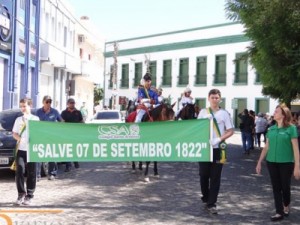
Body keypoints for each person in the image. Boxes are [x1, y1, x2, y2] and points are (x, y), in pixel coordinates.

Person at [256, 104, 300, 222]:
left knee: (285, 187)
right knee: (276, 187)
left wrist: (297, 166)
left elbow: (296, 148)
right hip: (272, 162)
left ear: (283, 115)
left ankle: (286, 204)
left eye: (276, 112)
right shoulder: (271, 129)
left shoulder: (291, 128)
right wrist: (259, 162)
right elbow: (266, 147)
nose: (273, 113)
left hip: (286, 163)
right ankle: (279, 212)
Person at [197, 89, 234, 214]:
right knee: (203, 175)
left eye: (217, 97)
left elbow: (230, 131)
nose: (214, 99)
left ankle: (212, 203)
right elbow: (195, 129)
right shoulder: (203, 112)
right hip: (205, 149)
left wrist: (218, 139)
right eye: (212, 97)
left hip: (219, 149)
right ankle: (206, 197)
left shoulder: (224, 114)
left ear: (220, 99)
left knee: (215, 177)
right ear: (208, 98)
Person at [12, 98, 39, 205]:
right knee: (19, 171)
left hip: (32, 150)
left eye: (24, 106)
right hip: (21, 150)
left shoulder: (35, 119)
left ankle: (29, 195)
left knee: (32, 173)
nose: (22, 108)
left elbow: (40, 133)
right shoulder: (19, 120)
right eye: (21, 106)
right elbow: (14, 133)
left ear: (30, 106)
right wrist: (20, 139)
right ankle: (21, 194)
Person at [36, 95, 63, 181]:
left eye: (50, 102)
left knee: (52, 155)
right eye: (47, 102)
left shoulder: (55, 112)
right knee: (39, 156)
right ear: (43, 102)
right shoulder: (38, 112)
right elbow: (35, 123)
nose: (48, 103)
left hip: (52, 137)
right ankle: (37, 175)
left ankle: (52, 174)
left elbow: (61, 121)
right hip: (41, 136)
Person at [61, 98, 83, 172]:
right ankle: (68, 165)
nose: (72, 104)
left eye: (73, 103)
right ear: (67, 104)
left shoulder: (78, 112)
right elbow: (62, 123)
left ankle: (76, 161)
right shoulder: (64, 113)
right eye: (71, 103)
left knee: (75, 148)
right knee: (68, 149)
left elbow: (82, 122)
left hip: (76, 134)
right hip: (67, 134)